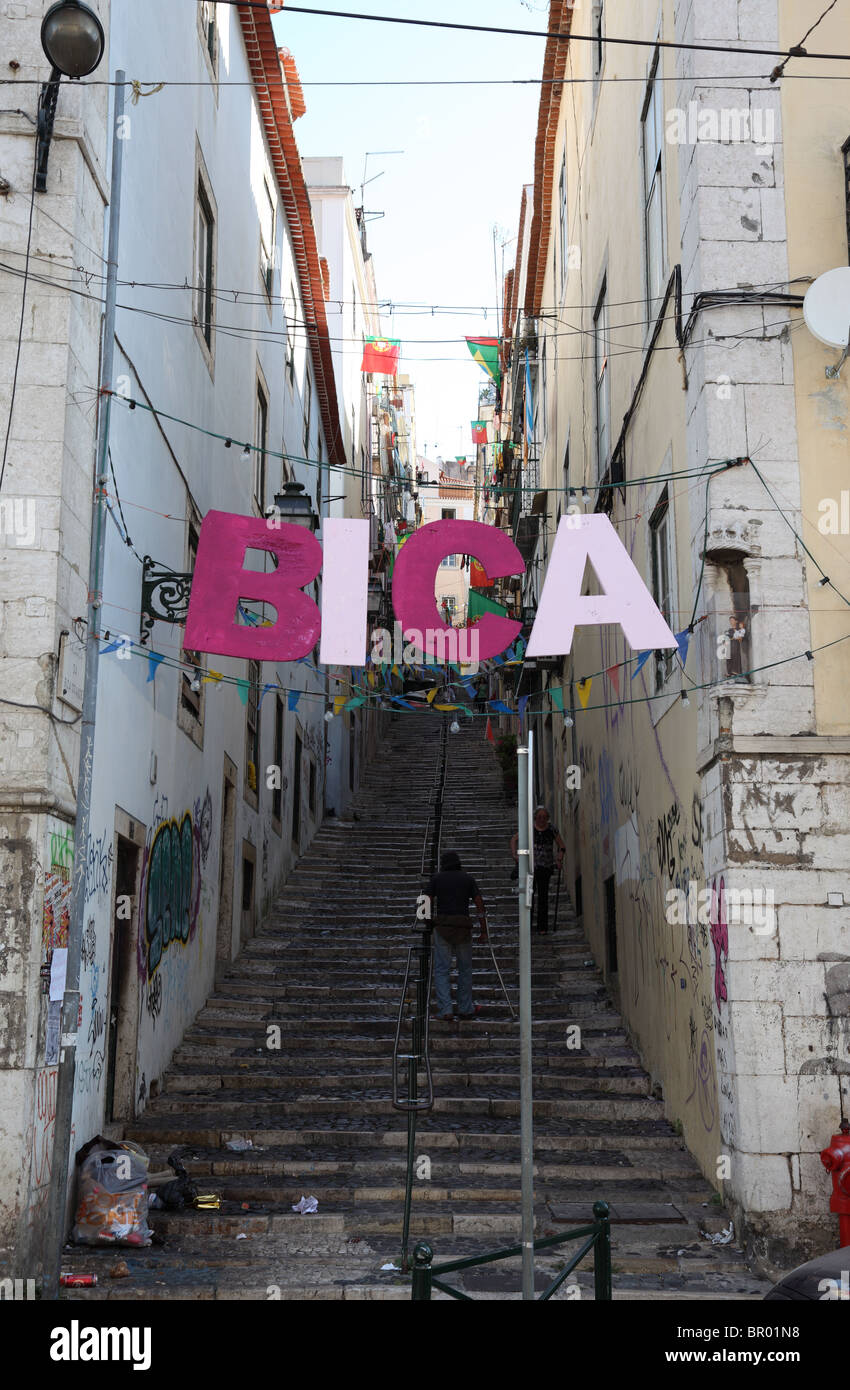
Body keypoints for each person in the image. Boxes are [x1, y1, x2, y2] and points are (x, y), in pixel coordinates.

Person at [426, 850, 488, 1020]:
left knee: (441, 969)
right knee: (465, 969)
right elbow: (479, 904)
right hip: (463, 928)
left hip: (443, 927)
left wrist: (426, 920)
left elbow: (426, 899)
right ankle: (465, 1008)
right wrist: (483, 930)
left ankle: (445, 1009)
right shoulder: (468, 879)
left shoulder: (437, 879)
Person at [510, 806, 565, 934]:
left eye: (544, 817)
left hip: (545, 868)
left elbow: (561, 846)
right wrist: (514, 855)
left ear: (548, 818)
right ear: (535, 818)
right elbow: (514, 839)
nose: (541, 819)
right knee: (529, 897)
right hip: (530, 868)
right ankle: (528, 925)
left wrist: (559, 859)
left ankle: (542, 927)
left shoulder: (552, 830)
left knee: (543, 898)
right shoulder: (529, 829)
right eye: (539, 817)